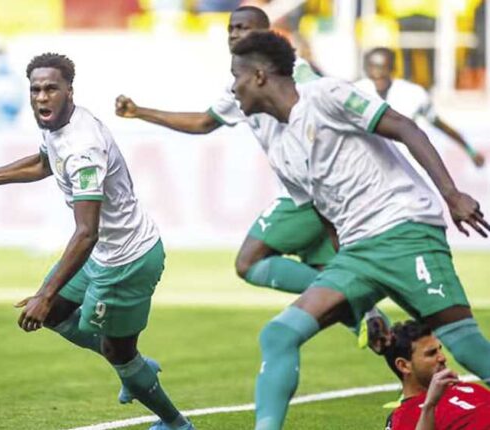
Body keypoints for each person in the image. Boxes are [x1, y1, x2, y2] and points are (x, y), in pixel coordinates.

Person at [229, 31, 490, 430]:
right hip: (357, 254)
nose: (233, 87)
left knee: (465, 345)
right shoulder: (279, 145)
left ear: (260, 76)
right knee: (278, 335)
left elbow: (404, 126)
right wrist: (355, 292)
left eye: (237, 76)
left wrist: (451, 194)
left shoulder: (326, 95)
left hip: (405, 230)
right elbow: (324, 212)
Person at [115, 5, 387, 351]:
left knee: (249, 262)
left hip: (310, 191)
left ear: (268, 35)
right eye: (231, 27)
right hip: (304, 191)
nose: (235, 33)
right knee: (345, 302)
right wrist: (140, 112)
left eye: (244, 27)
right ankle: (395, 347)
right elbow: (204, 122)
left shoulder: (296, 75)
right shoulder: (242, 82)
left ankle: (353, 293)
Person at [0, 53, 194, 430]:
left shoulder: (84, 149)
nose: (41, 97)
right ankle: (135, 367)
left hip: (126, 259)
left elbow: (86, 232)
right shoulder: (58, 127)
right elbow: (43, 163)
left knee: (114, 348)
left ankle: (176, 423)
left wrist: (45, 294)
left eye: (51, 89)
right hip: (102, 252)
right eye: (35, 90)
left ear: (70, 91)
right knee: (57, 316)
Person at [355, 47, 485, 169]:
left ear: (393, 67)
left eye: (382, 67)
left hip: (406, 168)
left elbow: (439, 124)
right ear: (366, 68)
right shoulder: (356, 93)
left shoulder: (413, 94)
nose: (377, 73)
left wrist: (470, 151)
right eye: (372, 67)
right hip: (369, 169)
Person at [384, 321, 490, 430]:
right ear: (404, 366)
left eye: (440, 350)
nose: (442, 358)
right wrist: (430, 405)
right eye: (431, 353)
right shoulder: (404, 415)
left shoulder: (469, 388)